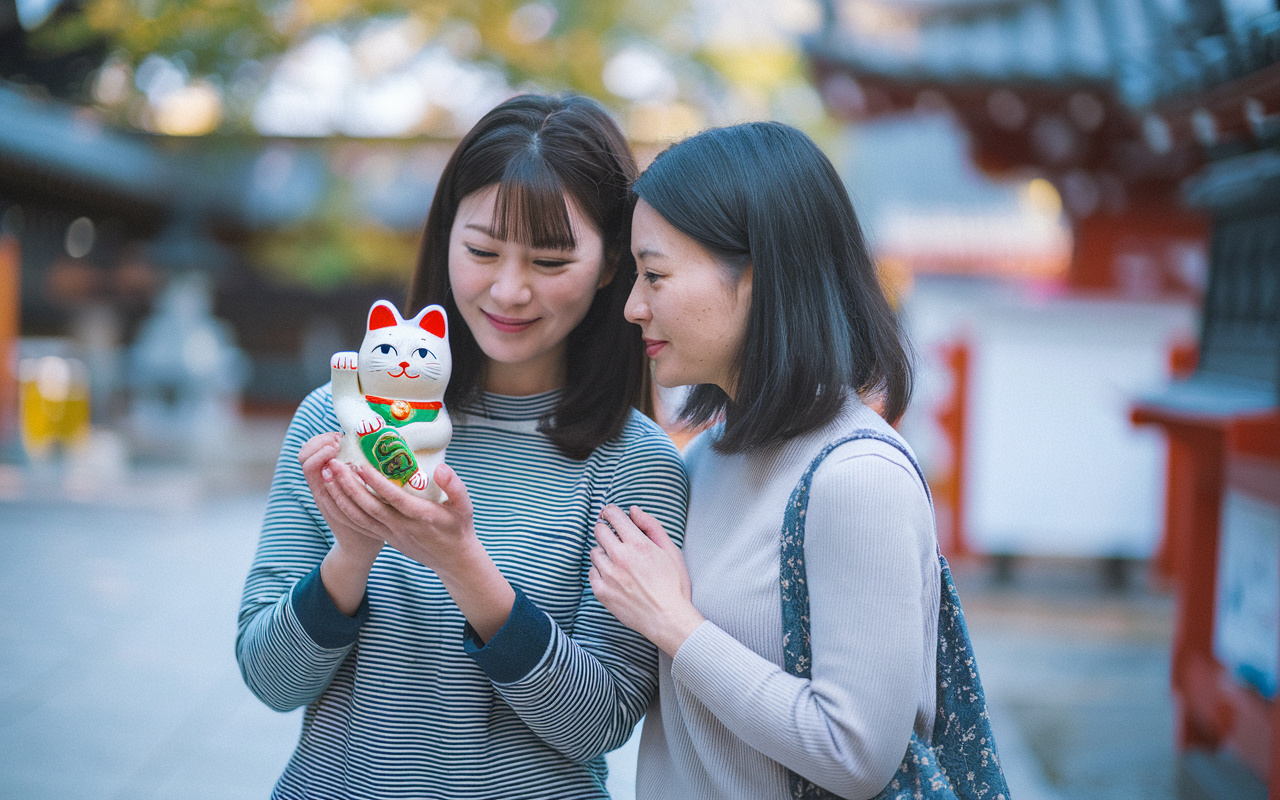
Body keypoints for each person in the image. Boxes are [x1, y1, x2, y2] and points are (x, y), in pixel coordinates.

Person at [236, 94, 689, 800]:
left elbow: (599, 721)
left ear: (610, 266)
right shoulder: (338, 417)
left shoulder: (634, 463)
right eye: (481, 251)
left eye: (550, 260)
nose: (508, 290)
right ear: (445, 236)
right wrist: (352, 552)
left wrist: (462, 562)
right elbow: (269, 679)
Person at [588, 121, 940, 800]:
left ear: (756, 276)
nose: (633, 306)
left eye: (654, 274)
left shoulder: (857, 478)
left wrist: (675, 624)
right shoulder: (704, 463)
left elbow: (855, 753)